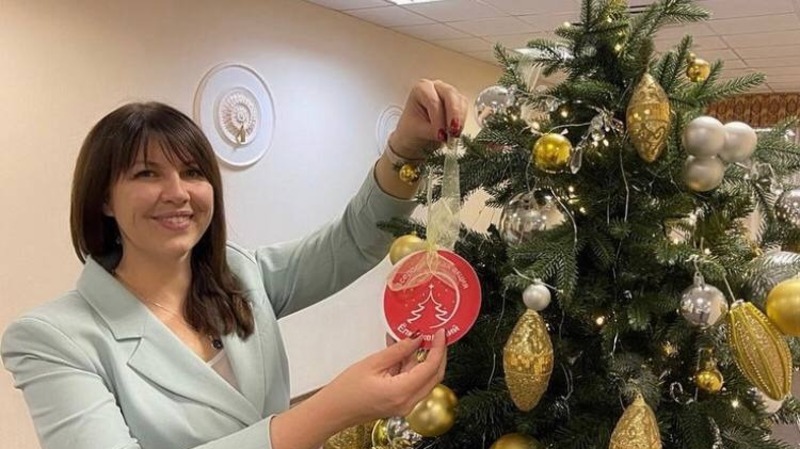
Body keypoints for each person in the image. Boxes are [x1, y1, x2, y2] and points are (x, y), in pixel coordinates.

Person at [1, 79, 468, 449]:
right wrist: (332, 409)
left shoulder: (241, 275)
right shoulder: (54, 339)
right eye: (147, 174)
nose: (178, 193)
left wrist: (405, 150)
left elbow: (352, 242)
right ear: (104, 198)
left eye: (192, 172)